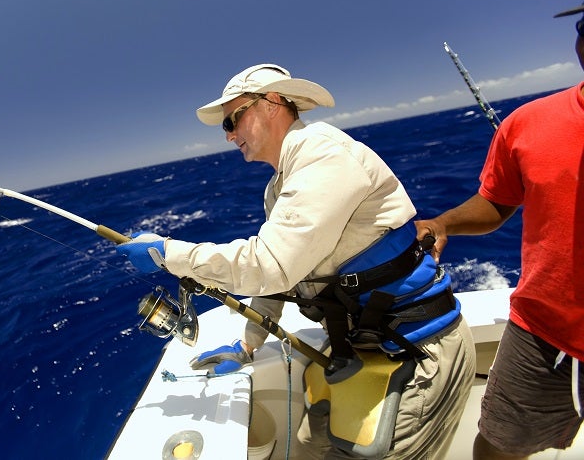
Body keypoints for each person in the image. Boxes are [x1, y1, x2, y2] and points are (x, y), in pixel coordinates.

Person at [117, 63, 475, 459]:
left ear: (272, 104)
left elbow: (268, 265)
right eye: (226, 127)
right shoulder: (278, 187)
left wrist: (169, 253)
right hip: (360, 348)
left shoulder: (323, 153)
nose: (230, 134)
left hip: (417, 351)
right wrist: (248, 346)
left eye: (233, 120)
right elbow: (282, 277)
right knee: (307, 446)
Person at [415, 0, 584, 460]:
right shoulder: (526, 124)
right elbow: (497, 203)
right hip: (543, 331)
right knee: (496, 447)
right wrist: (442, 222)